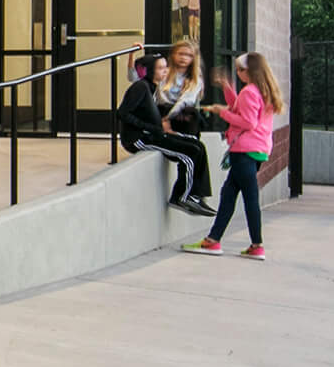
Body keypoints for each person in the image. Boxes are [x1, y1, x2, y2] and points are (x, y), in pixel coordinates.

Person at [184, 51, 283, 260]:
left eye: (239, 70)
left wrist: (222, 112)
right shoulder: (261, 91)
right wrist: (227, 88)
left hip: (244, 150)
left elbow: (247, 121)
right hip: (257, 150)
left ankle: (255, 245)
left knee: (248, 197)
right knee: (230, 194)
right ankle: (214, 240)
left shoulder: (250, 92)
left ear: (249, 71)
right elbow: (241, 107)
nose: (237, 74)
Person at [117, 53, 215, 216]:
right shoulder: (140, 87)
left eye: (165, 67)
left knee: (197, 145)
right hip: (139, 139)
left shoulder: (153, 87)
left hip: (153, 134)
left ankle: (196, 195)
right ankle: (181, 197)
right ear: (149, 71)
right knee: (189, 153)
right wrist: (149, 127)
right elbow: (122, 113)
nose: (166, 71)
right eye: (161, 68)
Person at [159, 40, 210, 137]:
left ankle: (190, 139)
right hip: (163, 110)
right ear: (173, 55)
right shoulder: (164, 73)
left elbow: (186, 101)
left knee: (191, 112)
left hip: (179, 113)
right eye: (181, 54)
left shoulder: (195, 80)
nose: (183, 58)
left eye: (189, 55)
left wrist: (168, 118)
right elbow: (160, 97)